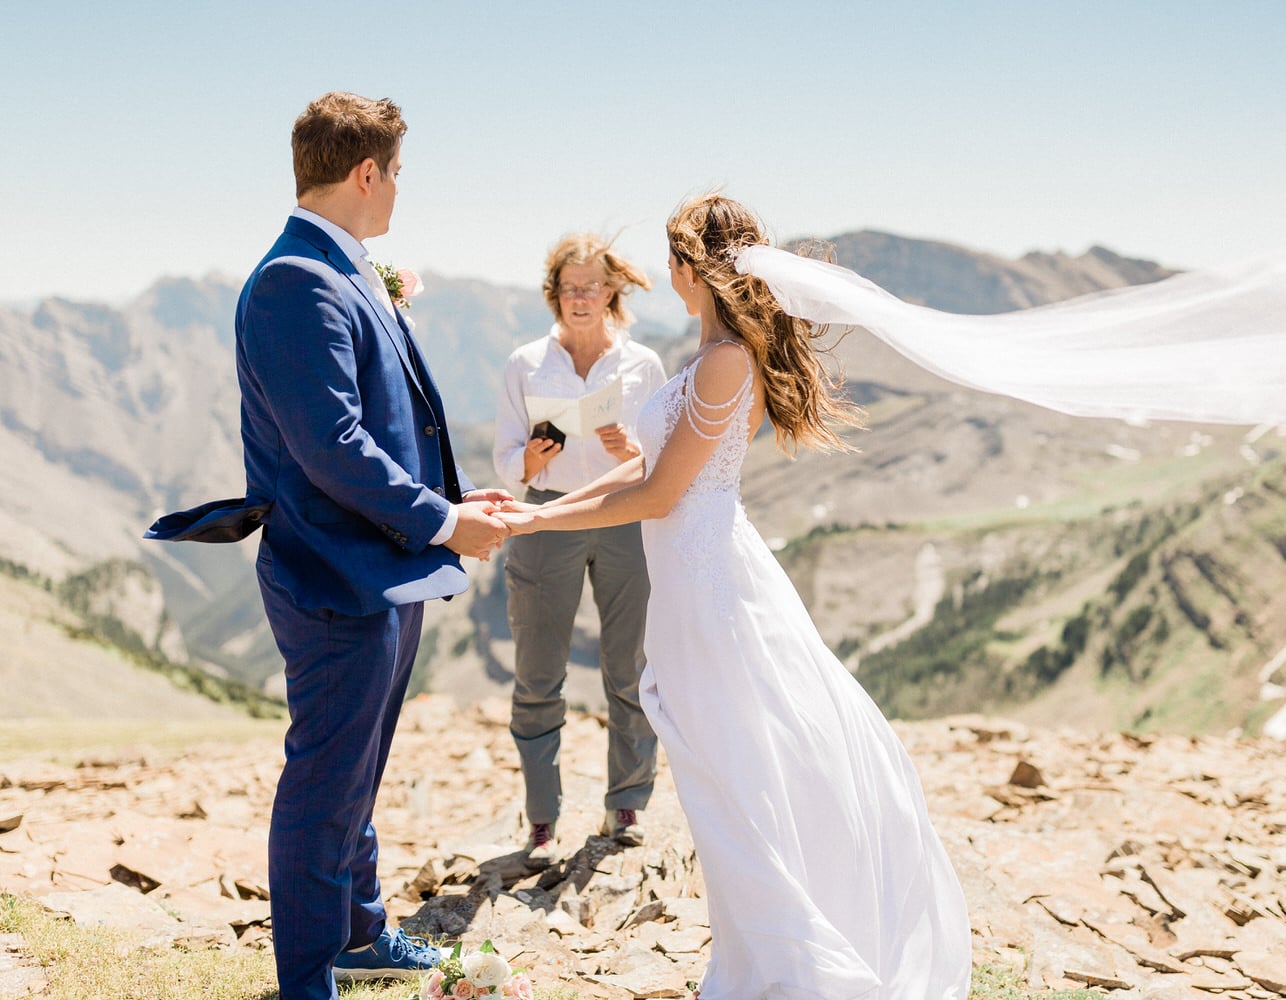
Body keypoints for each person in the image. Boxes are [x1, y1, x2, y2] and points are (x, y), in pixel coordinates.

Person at [498, 196, 972, 998]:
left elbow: (660, 493)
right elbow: (640, 468)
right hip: (689, 578)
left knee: (733, 770)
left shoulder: (724, 362)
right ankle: (751, 956)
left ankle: (788, 964)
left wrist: (539, 524)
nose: (672, 279)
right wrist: (537, 515)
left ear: (694, 270)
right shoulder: (710, 350)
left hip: (711, 582)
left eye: (675, 265)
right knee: (717, 767)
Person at [149, 92, 511, 1000]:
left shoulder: (342, 268)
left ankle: (359, 935)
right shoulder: (293, 280)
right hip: (333, 570)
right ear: (365, 173)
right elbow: (333, 446)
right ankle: (308, 976)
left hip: (381, 566)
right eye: (396, 172)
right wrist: (445, 522)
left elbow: (393, 423)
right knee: (324, 780)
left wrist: (457, 501)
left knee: (359, 767)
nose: (398, 190)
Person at [492, 235, 666, 864]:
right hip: (548, 516)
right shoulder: (525, 363)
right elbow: (505, 458)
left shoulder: (643, 365)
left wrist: (630, 454)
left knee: (631, 667)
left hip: (624, 518)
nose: (580, 298)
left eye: (592, 286)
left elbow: (665, 458)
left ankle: (628, 804)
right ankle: (542, 820)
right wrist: (528, 460)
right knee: (538, 674)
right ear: (555, 293)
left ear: (612, 293)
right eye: (570, 287)